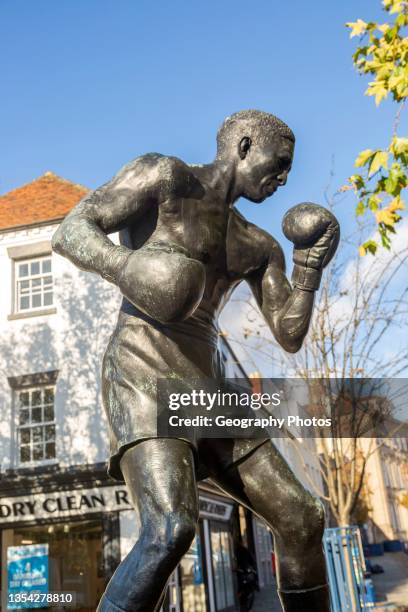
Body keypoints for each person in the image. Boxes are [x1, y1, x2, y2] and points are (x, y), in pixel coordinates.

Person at [52, 110, 339, 611]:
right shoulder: (165, 176)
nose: (284, 179)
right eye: (280, 163)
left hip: (210, 390)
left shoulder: (259, 244)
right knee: (170, 527)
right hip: (144, 369)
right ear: (245, 144)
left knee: (303, 518)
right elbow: (74, 229)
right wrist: (128, 267)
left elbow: (289, 333)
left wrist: (309, 268)